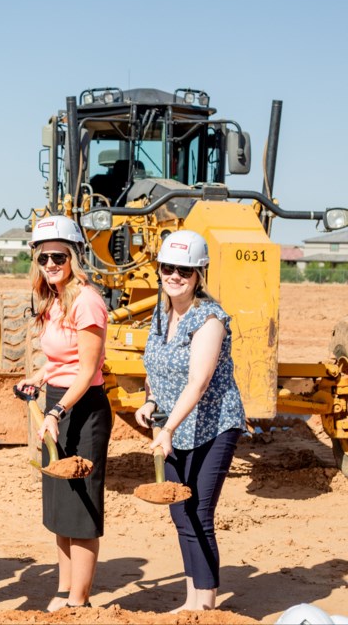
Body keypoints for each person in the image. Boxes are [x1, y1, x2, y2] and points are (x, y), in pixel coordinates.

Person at [134, 230, 245, 613]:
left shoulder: (209, 318)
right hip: (173, 426)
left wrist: (165, 429)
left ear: (199, 274)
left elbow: (197, 383)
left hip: (213, 425)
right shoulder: (160, 313)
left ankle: (207, 603)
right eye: (168, 267)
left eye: (185, 269)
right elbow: (157, 366)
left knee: (198, 510)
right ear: (159, 269)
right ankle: (191, 600)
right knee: (180, 510)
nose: (175, 275)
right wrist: (150, 401)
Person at [16, 214, 110, 611]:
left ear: (74, 256)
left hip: (82, 409)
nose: (50, 264)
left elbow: (87, 370)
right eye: (43, 257)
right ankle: (64, 589)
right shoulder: (55, 298)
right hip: (59, 399)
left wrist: (55, 411)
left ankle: (79, 599)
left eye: (58, 256)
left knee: (81, 506)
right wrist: (39, 377)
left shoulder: (87, 301)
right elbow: (62, 359)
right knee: (59, 505)